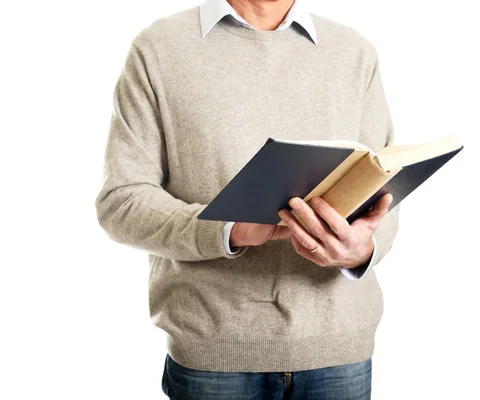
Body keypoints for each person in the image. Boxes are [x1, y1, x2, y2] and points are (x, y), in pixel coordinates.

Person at [95, 0, 400, 398]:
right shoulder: (158, 49)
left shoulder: (354, 52)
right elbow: (122, 201)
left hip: (340, 354)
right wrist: (229, 228)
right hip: (214, 357)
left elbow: (386, 195)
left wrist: (361, 249)